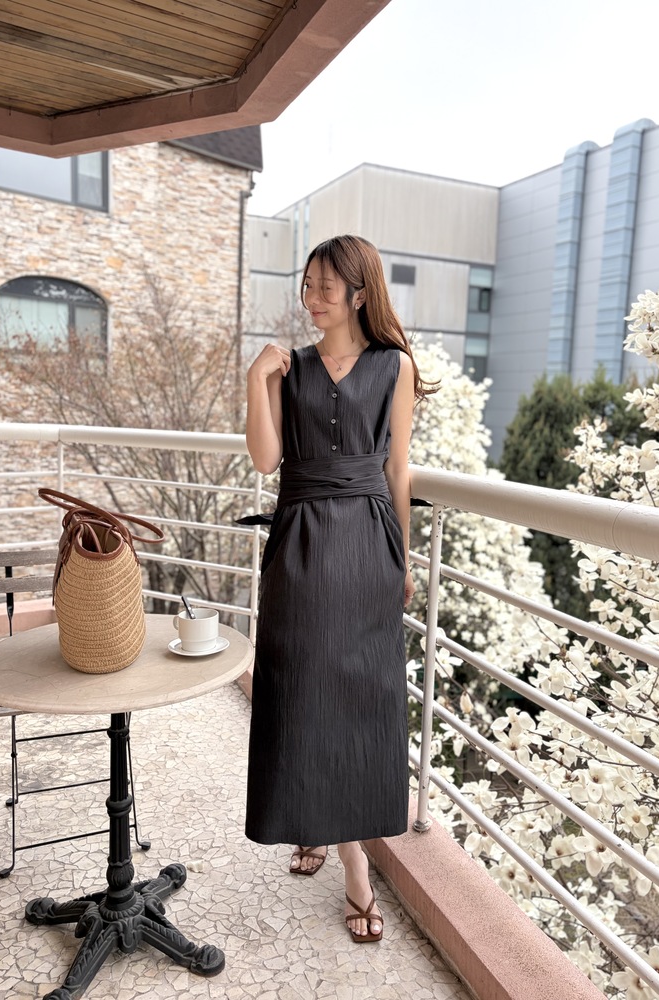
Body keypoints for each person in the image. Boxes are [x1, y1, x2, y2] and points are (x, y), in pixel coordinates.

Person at [244, 234, 435, 943]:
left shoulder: (395, 367)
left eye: (325, 287)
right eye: (307, 285)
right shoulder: (287, 367)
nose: (312, 298)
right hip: (298, 543)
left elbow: (398, 471)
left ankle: (350, 855)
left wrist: (403, 559)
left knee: (359, 701)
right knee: (299, 689)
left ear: (359, 293)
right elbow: (266, 459)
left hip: (366, 548)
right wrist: (256, 380)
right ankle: (315, 827)